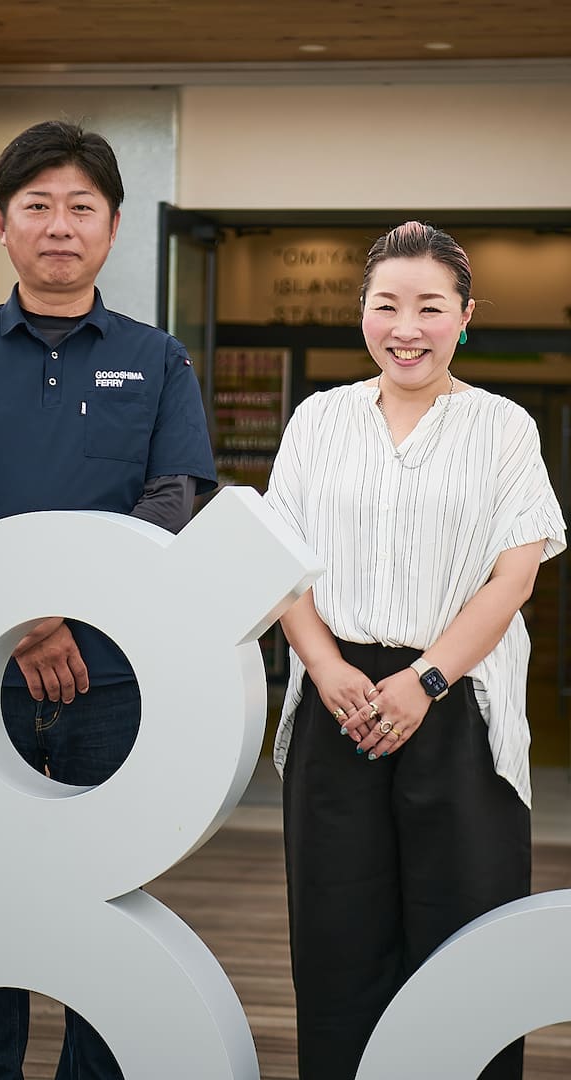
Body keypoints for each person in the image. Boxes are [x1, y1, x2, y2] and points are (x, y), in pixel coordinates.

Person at [0, 119, 216, 1080]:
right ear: (2, 223)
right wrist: (24, 624)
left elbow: (170, 502)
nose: (58, 227)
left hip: (115, 683)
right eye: (38, 207)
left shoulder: (157, 360)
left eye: (80, 208)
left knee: (109, 906)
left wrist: (59, 617)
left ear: (111, 228)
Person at [264, 221, 566, 1080]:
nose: (408, 326)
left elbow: (513, 578)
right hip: (338, 701)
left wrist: (426, 678)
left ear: (465, 317)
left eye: (430, 306)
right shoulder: (318, 420)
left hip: (457, 701)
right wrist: (323, 666)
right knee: (337, 944)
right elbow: (280, 564)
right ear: (361, 314)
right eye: (387, 304)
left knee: (466, 942)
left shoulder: (501, 427)